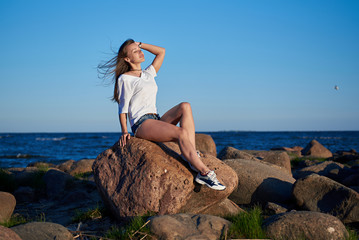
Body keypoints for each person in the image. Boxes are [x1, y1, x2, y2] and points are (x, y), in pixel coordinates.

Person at [98, 39, 225, 191]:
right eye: (135, 51)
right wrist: (125, 131)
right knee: (180, 132)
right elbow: (122, 108)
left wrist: (140, 44)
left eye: (139, 49)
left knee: (185, 106)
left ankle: (189, 155)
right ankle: (203, 172)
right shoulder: (125, 79)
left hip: (156, 119)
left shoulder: (148, 73)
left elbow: (161, 51)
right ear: (127, 59)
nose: (140, 52)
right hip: (141, 124)